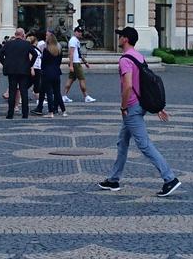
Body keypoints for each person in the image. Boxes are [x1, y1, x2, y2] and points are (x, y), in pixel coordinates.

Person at [99, 27, 180, 197]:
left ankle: (169, 178)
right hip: (140, 105)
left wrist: (123, 107)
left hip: (132, 108)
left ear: (126, 39)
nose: (119, 38)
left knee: (144, 145)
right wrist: (156, 106)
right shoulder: (139, 56)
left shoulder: (125, 60)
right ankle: (113, 180)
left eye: (120, 36)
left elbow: (128, 85)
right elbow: (146, 83)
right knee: (122, 142)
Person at [2, 28, 35, 120]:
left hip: (11, 71)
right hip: (24, 70)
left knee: (12, 92)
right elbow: (35, 54)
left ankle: (10, 113)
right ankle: (25, 113)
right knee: (24, 92)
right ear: (23, 35)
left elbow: (0, 53)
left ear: (15, 34)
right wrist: (29, 64)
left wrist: (5, 63)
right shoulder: (26, 44)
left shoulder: (8, 43)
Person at [37, 31, 65, 117]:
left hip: (47, 73)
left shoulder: (46, 49)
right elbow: (59, 61)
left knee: (49, 92)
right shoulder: (59, 49)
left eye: (46, 35)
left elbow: (43, 62)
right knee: (57, 92)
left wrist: (42, 70)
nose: (45, 37)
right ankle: (64, 111)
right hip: (56, 72)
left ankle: (51, 112)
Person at [69, 28, 94, 103]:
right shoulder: (73, 40)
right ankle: (86, 96)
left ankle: (64, 96)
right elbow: (71, 53)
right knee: (82, 79)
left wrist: (85, 62)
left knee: (70, 79)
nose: (80, 33)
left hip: (76, 62)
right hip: (75, 63)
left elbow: (79, 53)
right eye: (78, 32)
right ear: (75, 32)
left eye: (81, 32)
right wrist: (71, 65)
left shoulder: (76, 40)